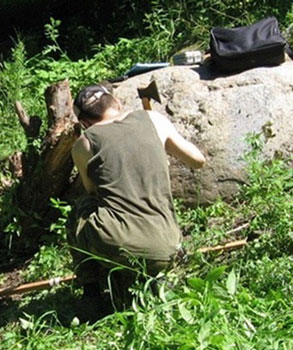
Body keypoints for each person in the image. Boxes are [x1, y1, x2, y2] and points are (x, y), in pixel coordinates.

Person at [68, 84, 205, 315]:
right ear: (117, 103)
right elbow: (198, 160)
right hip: (169, 244)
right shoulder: (153, 119)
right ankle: (155, 276)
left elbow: (93, 191)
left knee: (81, 210)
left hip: (117, 245)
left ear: (84, 123)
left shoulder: (84, 143)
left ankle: (91, 294)